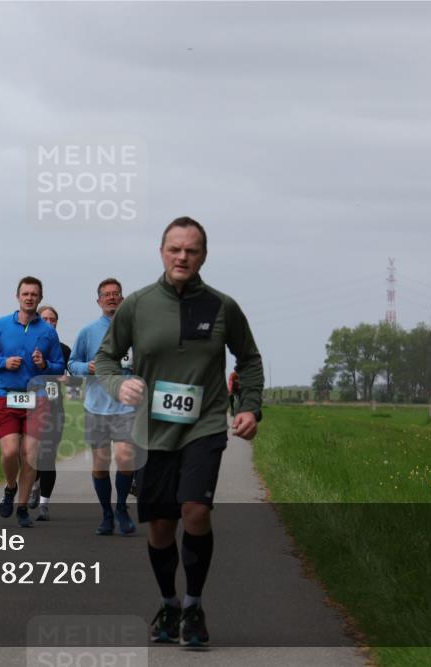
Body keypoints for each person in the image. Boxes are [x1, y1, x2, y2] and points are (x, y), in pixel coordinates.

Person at [94, 217, 263, 647]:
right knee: (161, 525)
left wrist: (249, 407)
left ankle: (194, 605)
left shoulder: (223, 306)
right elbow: (107, 359)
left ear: (203, 256)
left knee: (196, 511)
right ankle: (169, 603)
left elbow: (248, 359)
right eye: (175, 249)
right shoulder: (137, 305)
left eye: (191, 250)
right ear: (161, 252)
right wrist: (118, 385)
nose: (182, 257)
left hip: (204, 425)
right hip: (150, 431)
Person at [0, 277, 65, 528]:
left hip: (38, 399)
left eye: (34, 294)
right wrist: (2, 362)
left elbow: (60, 366)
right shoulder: (2, 324)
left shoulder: (48, 332)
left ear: (40, 298)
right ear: (18, 297)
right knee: (9, 452)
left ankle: (23, 507)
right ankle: (10, 487)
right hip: (7, 396)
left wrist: (45, 364)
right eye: (25, 293)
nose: (29, 298)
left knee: (31, 456)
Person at [68, 278, 137, 536]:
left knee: (126, 458)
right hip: (96, 407)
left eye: (116, 294)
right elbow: (72, 363)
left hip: (126, 407)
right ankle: (107, 514)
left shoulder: (135, 331)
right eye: (106, 294)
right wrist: (87, 367)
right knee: (100, 464)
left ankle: (121, 508)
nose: (111, 298)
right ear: (99, 301)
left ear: (122, 299)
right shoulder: (88, 332)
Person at [28, 305, 72, 521]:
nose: (48, 322)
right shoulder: (28, 345)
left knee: (48, 455)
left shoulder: (63, 350)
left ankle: (44, 504)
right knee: (31, 454)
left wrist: (69, 381)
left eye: (52, 319)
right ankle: (34, 485)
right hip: (31, 406)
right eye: (44, 318)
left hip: (54, 407)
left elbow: (74, 376)